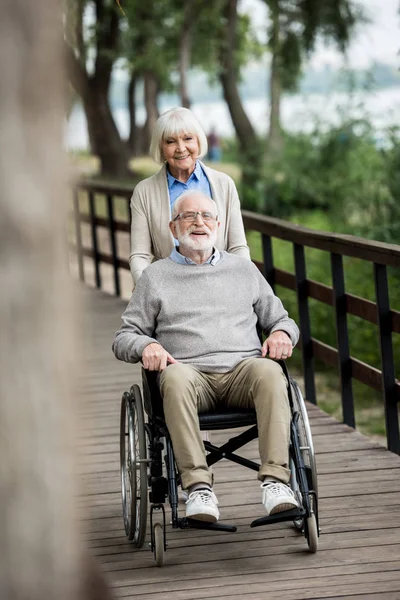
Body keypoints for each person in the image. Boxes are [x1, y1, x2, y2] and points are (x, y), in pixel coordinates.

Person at [113, 190, 300, 523]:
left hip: (243, 372)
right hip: (189, 376)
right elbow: (124, 337)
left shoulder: (244, 270)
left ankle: (276, 482)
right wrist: (146, 346)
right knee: (173, 377)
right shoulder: (155, 277)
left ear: (218, 224)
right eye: (188, 216)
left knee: (272, 372)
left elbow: (282, 320)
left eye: (206, 216)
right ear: (173, 227)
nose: (198, 222)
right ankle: (198, 488)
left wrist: (283, 334)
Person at [129, 106, 250, 288]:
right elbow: (140, 256)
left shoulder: (224, 184)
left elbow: (238, 248)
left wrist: (243, 285)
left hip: (220, 285)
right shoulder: (144, 192)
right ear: (161, 148)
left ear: (199, 141)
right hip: (167, 288)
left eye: (188, 139)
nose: (181, 148)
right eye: (170, 141)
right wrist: (148, 288)